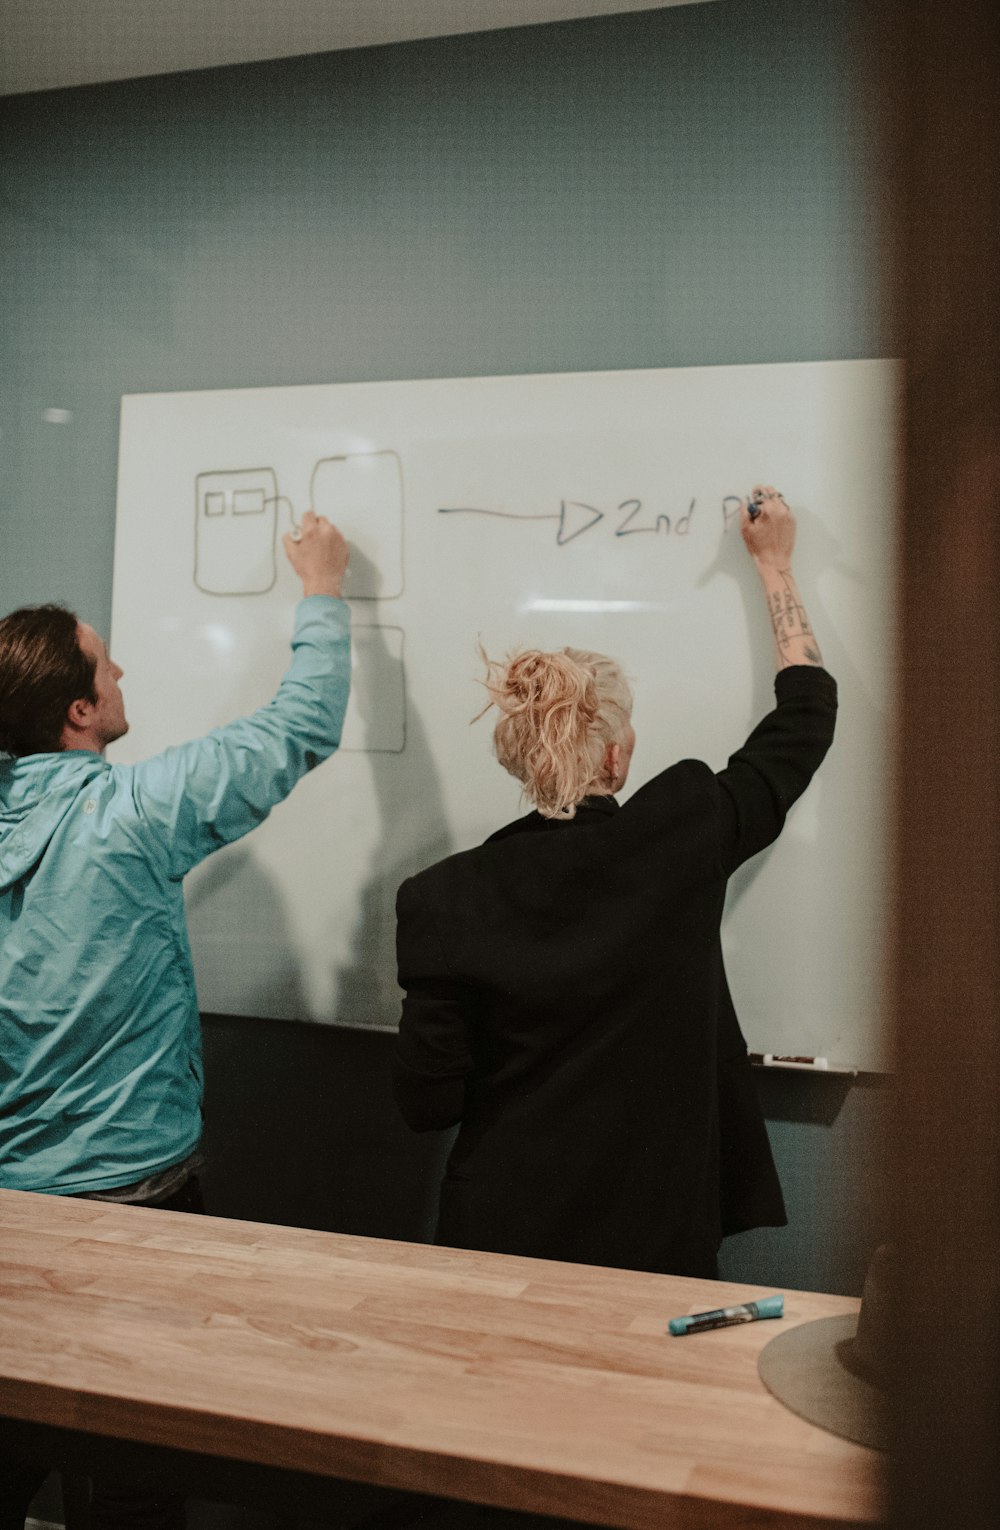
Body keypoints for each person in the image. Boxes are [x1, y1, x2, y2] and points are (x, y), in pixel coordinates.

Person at [0, 511, 350, 1530]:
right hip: (134, 1217)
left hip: (10, 1215)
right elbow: (298, 728)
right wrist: (322, 590)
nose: (123, 679)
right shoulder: (131, 817)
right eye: (106, 670)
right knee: (138, 1481)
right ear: (76, 709)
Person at [393, 485, 837, 1279]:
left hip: (495, 1237)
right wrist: (775, 568)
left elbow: (428, 1104)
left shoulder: (442, 897)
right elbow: (804, 718)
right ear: (615, 755)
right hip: (652, 1239)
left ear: (516, 757)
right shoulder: (682, 830)